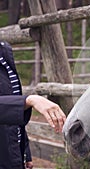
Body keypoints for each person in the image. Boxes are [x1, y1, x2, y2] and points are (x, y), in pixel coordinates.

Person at [0, 41, 66, 169]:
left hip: (12, 154)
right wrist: (29, 100)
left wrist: (24, 152)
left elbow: (12, 102)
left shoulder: (4, 49)